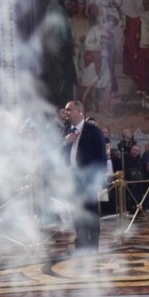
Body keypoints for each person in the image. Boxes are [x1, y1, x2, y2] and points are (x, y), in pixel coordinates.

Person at [62, 100, 109, 252]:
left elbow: (101, 157)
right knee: (76, 213)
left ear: (79, 112)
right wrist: (65, 141)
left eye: (69, 110)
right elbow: (56, 152)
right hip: (72, 179)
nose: (66, 112)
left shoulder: (92, 130)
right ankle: (81, 245)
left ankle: (93, 246)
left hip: (89, 180)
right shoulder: (65, 130)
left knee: (91, 213)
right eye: (65, 110)